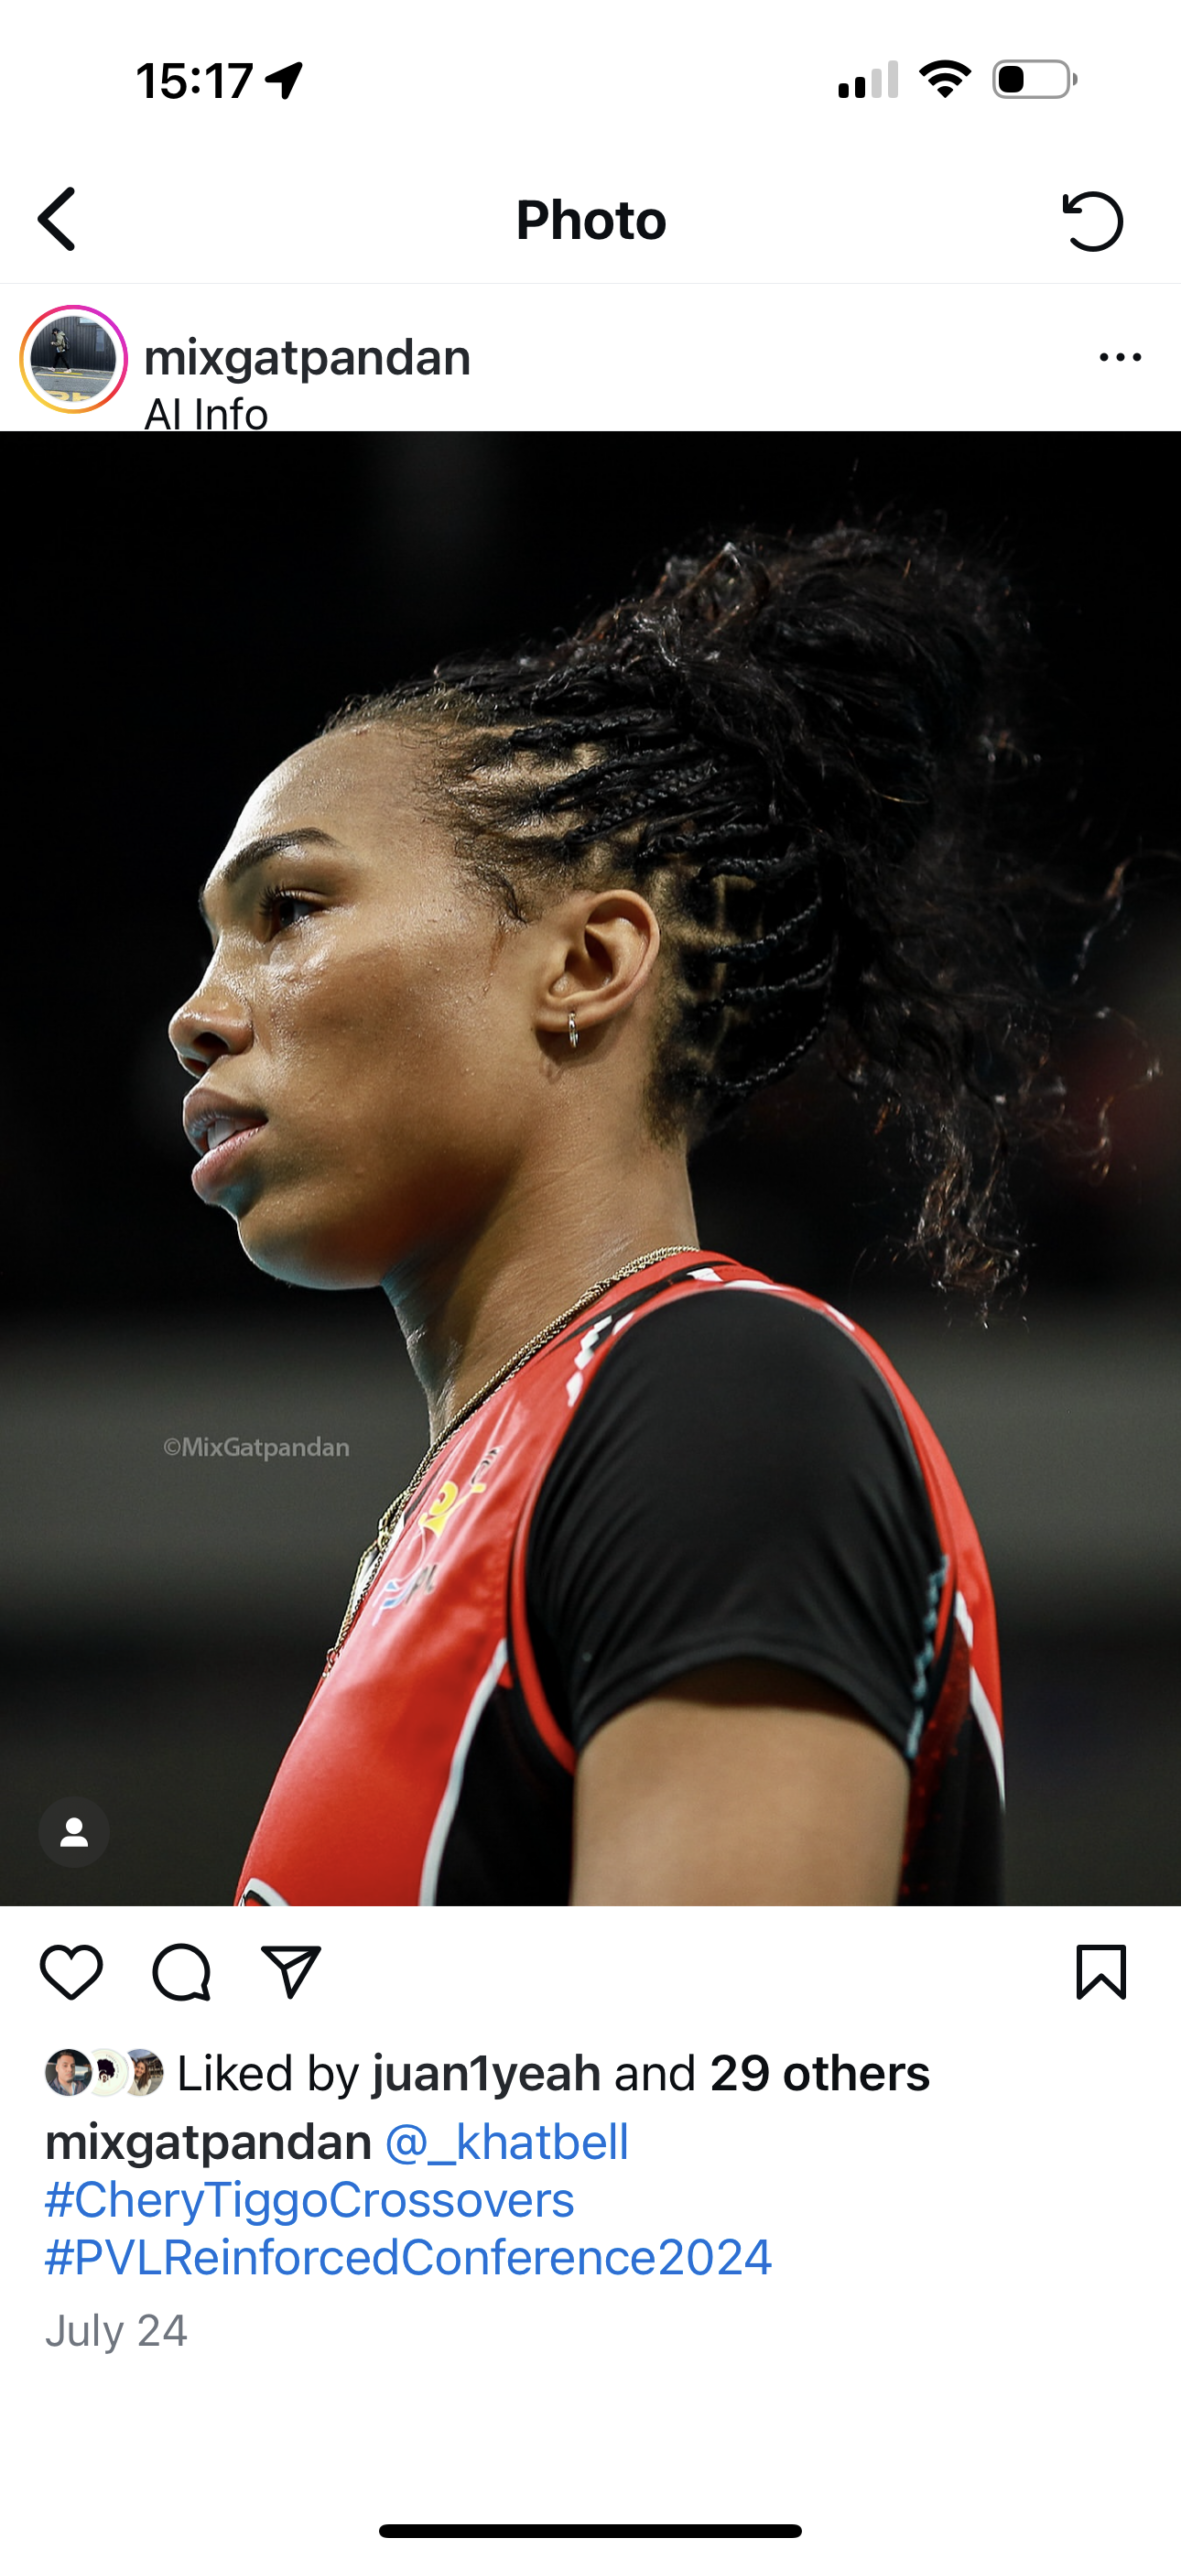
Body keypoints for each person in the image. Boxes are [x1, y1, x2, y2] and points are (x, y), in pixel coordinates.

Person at [169, 527, 1073, 1908]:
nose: (197, 1015)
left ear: (589, 963)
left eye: (289, 908)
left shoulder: (718, 1392)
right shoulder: (498, 1484)